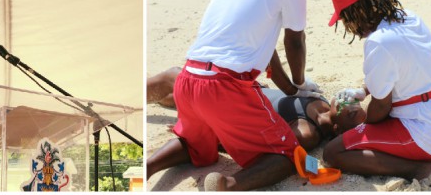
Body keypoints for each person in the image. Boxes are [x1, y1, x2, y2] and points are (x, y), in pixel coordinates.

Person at [147, 0, 322, 191]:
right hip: (224, 87)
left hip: (188, 79)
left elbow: (261, 42)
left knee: (199, 149)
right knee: (287, 155)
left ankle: (147, 167)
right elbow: (295, 40)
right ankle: (226, 185)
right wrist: (300, 82)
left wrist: (289, 89)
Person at [323, 0, 431, 189]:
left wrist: (362, 130)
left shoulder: (378, 42)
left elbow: (382, 106)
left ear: (355, 13)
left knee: (332, 153)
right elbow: (405, 68)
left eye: (345, 20)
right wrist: (363, 91)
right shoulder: (409, 16)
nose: (347, 26)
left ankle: (420, 170)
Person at [148, 68, 366, 151]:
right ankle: (159, 100)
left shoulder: (307, 134)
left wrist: (202, 129)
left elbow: (255, 141)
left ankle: (127, 100)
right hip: (246, 89)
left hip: (231, 104)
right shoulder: (324, 102)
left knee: (174, 76)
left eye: (353, 112)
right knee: (177, 95)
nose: (352, 103)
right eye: (357, 104)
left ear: (337, 129)